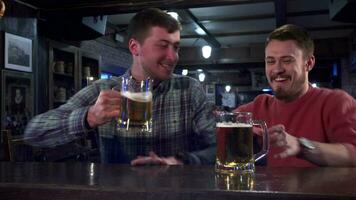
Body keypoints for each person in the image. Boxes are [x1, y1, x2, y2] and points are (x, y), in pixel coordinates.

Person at [25, 8, 216, 165]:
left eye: (176, 47)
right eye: (163, 45)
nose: (173, 56)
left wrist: (182, 161)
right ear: (135, 47)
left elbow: (219, 148)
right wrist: (89, 117)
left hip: (174, 192)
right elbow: (33, 133)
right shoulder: (105, 89)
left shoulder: (189, 89)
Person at [235, 24, 356, 167]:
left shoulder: (336, 102)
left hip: (320, 190)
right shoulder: (260, 105)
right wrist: (244, 133)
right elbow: (221, 123)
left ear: (309, 63)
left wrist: (301, 146)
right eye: (270, 61)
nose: (277, 69)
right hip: (275, 189)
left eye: (287, 60)